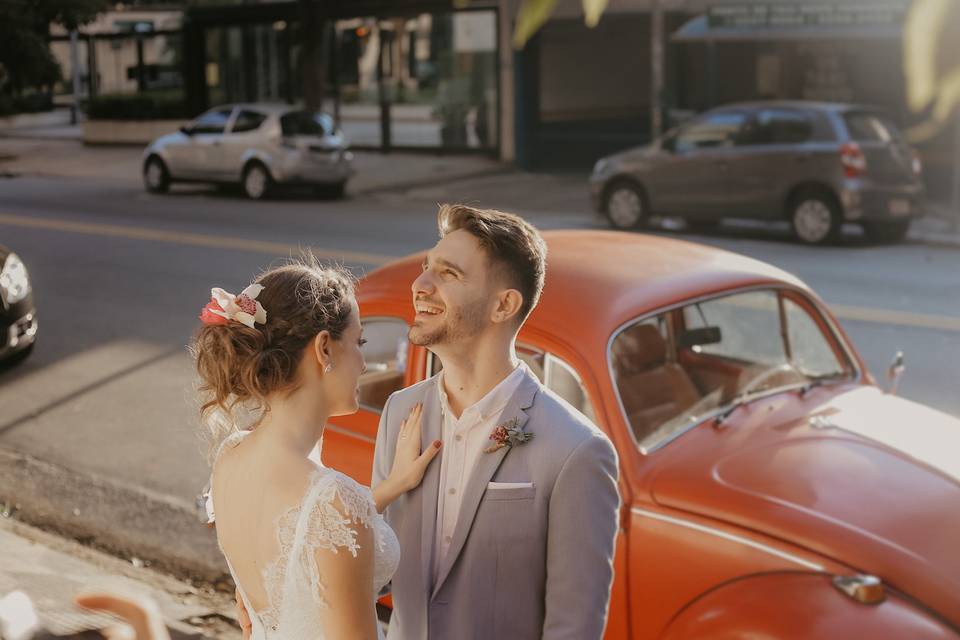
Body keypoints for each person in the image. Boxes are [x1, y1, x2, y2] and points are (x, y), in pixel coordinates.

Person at [372, 204, 621, 639]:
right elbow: (376, 574)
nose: (419, 285)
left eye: (447, 274)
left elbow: (573, 628)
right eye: (426, 268)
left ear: (503, 305)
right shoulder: (399, 412)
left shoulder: (578, 451)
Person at [192, 258, 440, 640]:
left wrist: (395, 483)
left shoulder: (231, 455)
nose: (364, 363)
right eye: (359, 343)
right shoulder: (331, 501)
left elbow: (304, 538)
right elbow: (321, 521)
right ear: (324, 348)